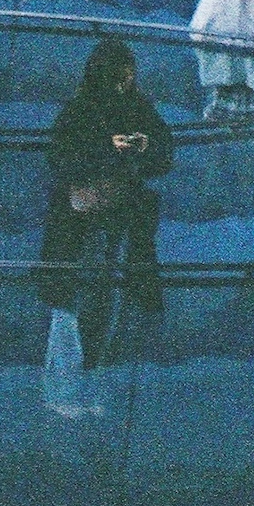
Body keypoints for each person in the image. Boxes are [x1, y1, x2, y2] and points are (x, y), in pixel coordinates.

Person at [38, 37, 171, 347]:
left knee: (95, 292)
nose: (126, 80)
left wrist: (141, 146)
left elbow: (162, 152)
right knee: (83, 295)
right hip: (93, 211)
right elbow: (61, 157)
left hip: (109, 209)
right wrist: (113, 150)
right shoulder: (86, 109)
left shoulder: (124, 108)